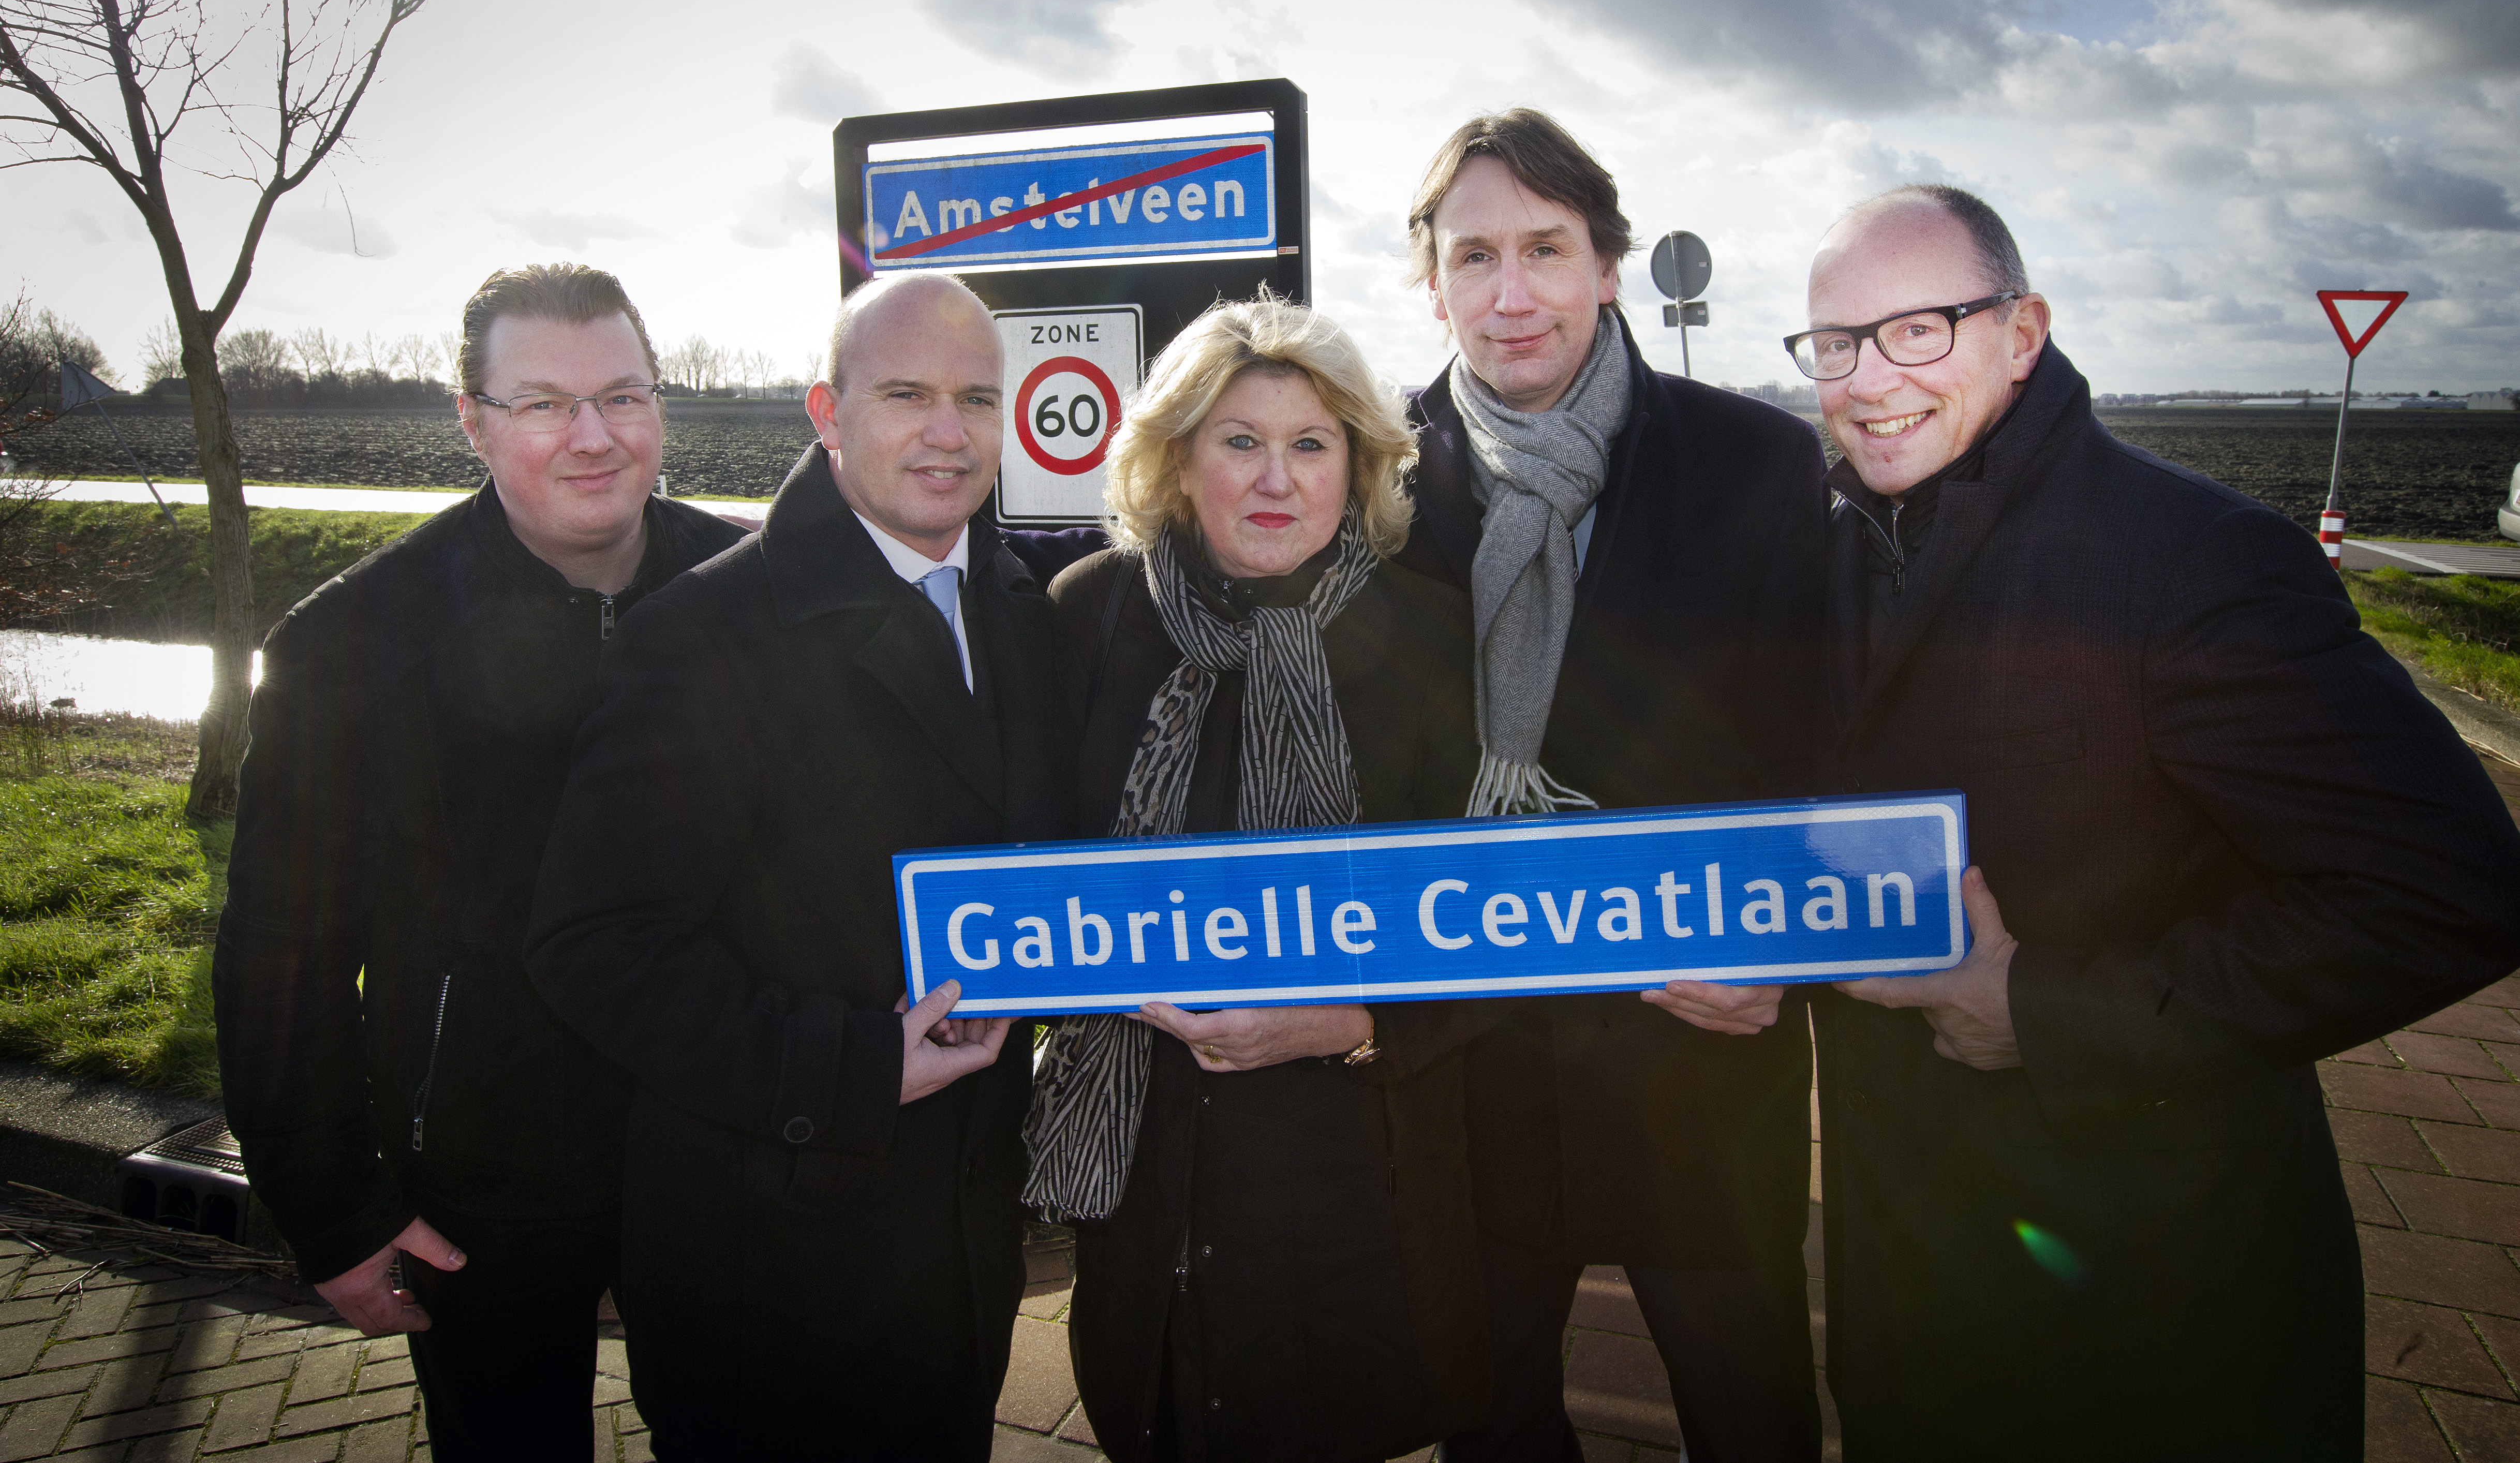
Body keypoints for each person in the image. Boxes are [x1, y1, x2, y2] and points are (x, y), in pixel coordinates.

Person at [1671, 183, 2520, 1459]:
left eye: (1918, 329)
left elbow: (2446, 891)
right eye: (1834, 342)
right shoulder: (1827, 557)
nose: (1867, 378)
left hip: (2154, 1301)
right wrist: (1763, 952)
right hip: (1909, 1285)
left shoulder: (2192, 560)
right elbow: (1837, 829)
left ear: (2021, 333)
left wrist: (2042, 1010)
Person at [523, 272, 1073, 1459]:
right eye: (905, 395)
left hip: (959, 1268)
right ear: (827, 413)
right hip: (767, 1276)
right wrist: (849, 1066)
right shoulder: (700, 638)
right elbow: (593, 947)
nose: (947, 432)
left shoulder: (1027, 618)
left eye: (976, 399)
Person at [213, 264, 745, 1457]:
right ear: (472, 420)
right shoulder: (352, 644)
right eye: (544, 404)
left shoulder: (753, 601)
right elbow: (281, 958)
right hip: (480, 1181)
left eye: (622, 396)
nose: (594, 436)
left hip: (719, 1150)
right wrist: (335, 1212)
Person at [1390, 109, 1828, 1461]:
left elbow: (1818, 747)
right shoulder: (1368, 471)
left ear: (1605, 266)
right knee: (1491, 1414)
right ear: (1432, 285)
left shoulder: (1753, 463)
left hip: (1693, 1060)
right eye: (1473, 257)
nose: (1509, 293)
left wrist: (1787, 954)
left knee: (1747, 1407)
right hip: (1471, 1068)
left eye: (1543, 248)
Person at [1028, 297, 1487, 1461]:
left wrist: (1353, 1022)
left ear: (1359, 467)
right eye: (1239, 440)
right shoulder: (1090, 616)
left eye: (1310, 443)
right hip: (1149, 1170)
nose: (1276, 479)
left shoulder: (1434, 639)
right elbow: (1026, 868)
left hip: (1354, 1169)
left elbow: (1504, 925)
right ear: (1177, 462)